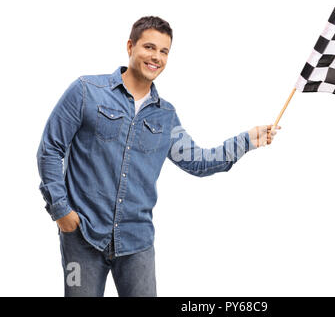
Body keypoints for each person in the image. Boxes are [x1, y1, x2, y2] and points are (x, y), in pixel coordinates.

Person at [36, 16, 280, 297]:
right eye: (149, 47)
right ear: (130, 46)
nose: (156, 57)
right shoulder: (86, 92)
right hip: (82, 238)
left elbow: (197, 161)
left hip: (136, 243)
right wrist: (61, 212)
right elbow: (50, 149)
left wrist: (246, 141)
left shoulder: (165, 117)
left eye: (164, 51)